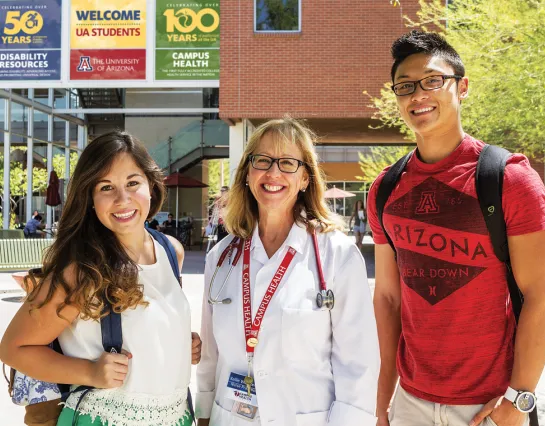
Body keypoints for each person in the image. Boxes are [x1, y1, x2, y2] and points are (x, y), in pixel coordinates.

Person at [367, 30, 545, 426]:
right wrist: (385, 395)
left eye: (433, 81)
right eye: (405, 86)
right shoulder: (384, 189)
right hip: (410, 403)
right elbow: (387, 298)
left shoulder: (509, 179)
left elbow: (542, 296)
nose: (418, 95)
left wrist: (518, 400)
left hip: (488, 405)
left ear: (462, 87)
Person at [0, 131, 202, 426]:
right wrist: (90, 373)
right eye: (106, 187)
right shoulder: (82, 270)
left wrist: (178, 342)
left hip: (176, 416)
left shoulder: (171, 251)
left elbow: (149, 321)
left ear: (151, 187)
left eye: (133, 183)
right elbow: (13, 348)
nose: (123, 199)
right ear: (90, 198)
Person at [196, 118, 379, 426]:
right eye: (263, 160)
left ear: (305, 178)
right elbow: (210, 357)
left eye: (288, 163)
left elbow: (358, 365)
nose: (273, 173)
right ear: (247, 173)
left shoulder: (337, 255)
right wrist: (203, 415)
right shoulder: (221, 257)